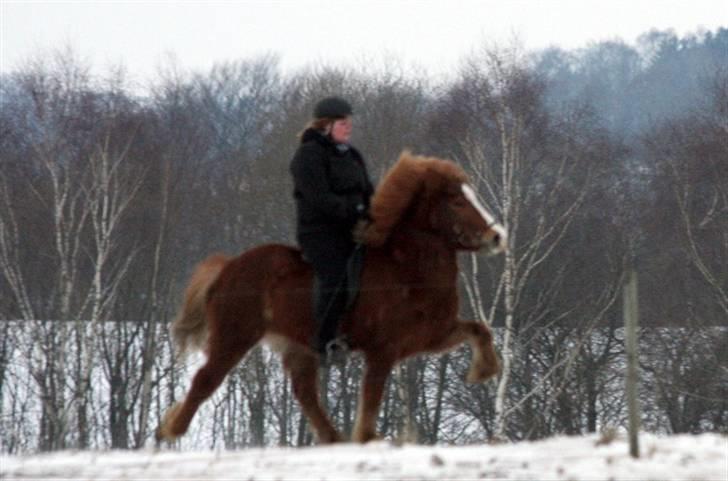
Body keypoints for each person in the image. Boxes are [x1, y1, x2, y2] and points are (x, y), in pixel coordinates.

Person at [290, 96, 374, 364]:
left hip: (353, 229)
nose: (349, 127)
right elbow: (320, 199)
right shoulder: (308, 156)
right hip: (320, 232)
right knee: (336, 278)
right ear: (325, 125)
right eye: (343, 123)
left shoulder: (352, 154)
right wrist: (355, 211)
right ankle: (323, 341)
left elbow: (368, 191)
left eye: (350, 122)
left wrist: (376, 214)